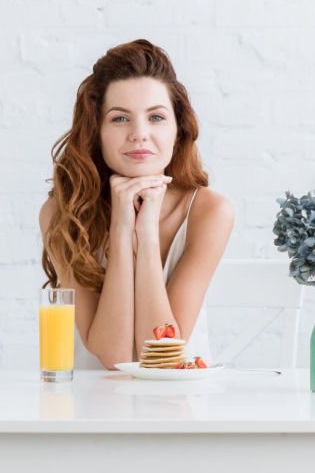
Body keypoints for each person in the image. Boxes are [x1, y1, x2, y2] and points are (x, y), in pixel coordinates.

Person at [39, 39, 234, 369]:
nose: (139, 134)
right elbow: (113, 357)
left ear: (178, 129)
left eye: (156, 117)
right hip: (90, 409)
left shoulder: (209, 212)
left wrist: (146, 234)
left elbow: (161, 353)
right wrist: (121, 227)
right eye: (119, 119)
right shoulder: (62, 212)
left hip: (180, 408)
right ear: (96, 131)